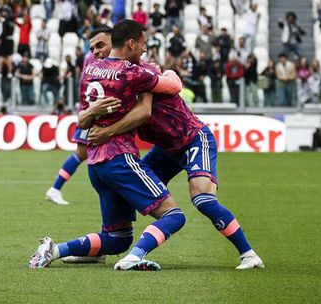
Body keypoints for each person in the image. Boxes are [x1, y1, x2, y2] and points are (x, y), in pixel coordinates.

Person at [87, 33, 264, 271]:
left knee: (202, 199)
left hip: (192, 138)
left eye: (101, 46)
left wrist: (167, 74)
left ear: (119, 46)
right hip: (166, 149)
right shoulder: (112, 82)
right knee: (133, 190)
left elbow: (166, 89)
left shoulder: (143, 73)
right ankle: (111, 244)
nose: (97, 53)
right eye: (93, 49)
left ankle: (249, 254)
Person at [30, 20, 187, 271]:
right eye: (143, 45)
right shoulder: (132, 72)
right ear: (131, 43)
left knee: (118, 238)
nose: (144, 50)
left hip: (96, 166)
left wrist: (94, 114)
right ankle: (134, 258)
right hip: (119, 158)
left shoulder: (90, 71)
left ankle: (54, 249)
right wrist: (161, 73)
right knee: (174, 215)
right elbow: (162, 97)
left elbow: (82, 119)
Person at [45, 26, 113, 205]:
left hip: (94, 110)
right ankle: (55, 188)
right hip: (91, 111)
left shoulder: (98, 57)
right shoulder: (93, 58)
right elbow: (89, 85)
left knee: (88, 154)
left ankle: (55, 189)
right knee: (82, 153)